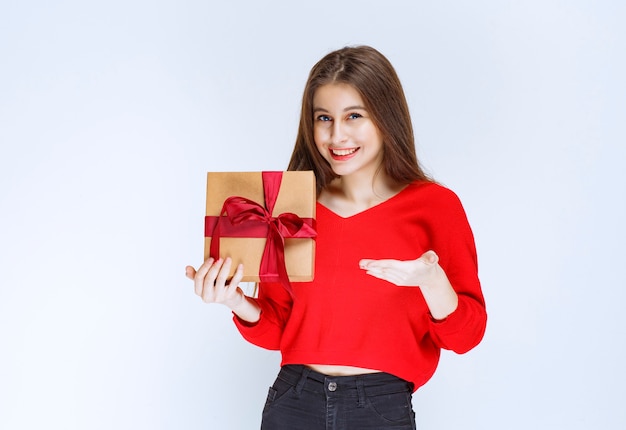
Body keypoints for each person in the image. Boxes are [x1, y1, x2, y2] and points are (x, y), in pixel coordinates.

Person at [186, 45, 487, 430]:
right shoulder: (291, 210)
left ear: (385, 117)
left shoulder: (435, 206)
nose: (336, 135)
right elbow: (280, 331)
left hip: (382, 408)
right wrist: (236, 301)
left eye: (354, 116)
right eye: (324, 117)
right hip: (292, 401)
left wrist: (431, 280)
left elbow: (467, 336)